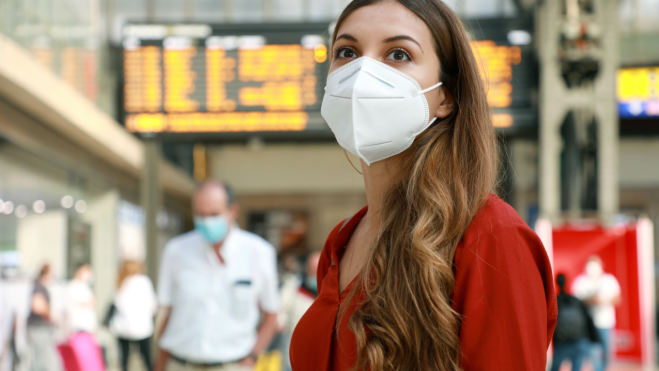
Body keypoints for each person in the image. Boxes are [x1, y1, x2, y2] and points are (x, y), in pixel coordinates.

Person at [289, 1, 558, 370]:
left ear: (445, 96)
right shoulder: (341, 242)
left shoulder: (490, 237)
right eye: (346, 52)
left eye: (398, 54)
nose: (362, 72)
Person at [155, 181, 279, 371]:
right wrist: (159, 365)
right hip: (180, 363)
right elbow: (167, 313)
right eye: (200, 215)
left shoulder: (259, 252)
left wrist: (252, 357)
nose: (206, 222)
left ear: (233, 211)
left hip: (233, 365)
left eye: (214, 214)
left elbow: (271, 316)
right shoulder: (176, 251)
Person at [572, 256, 621, 371]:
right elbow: (575, 300)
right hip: (587, 324)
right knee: (588, 351)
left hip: (605, 322)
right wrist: (590, 300)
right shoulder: (581, 281)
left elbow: (617, 298)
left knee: (606, 351)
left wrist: (603, 300)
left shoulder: (609, 280)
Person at [110, 260, 157, 371]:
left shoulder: (120, 282)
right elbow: (153, 305)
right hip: (142, 327)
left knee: (124, 359)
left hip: (122, 327)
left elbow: (117, 304)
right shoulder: (144, 281)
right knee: (147, 358)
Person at [278, 252, 320, 371]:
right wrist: (280, 321)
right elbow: (280, 310)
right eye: (313, 271)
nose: (315, 275)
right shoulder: (293, 287)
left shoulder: (333, 290)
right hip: (294, 360)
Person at [552, 274, 600, 371]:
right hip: (578, 341)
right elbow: (589, 321)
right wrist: (595, 340)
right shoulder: (576, 301)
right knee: (576, 367)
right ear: (567, 282)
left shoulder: (554, 302)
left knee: (554, 368)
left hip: (560, 342)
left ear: (556, 283)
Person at [26, 264, 62, 371]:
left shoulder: (42, 287)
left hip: (43, 329)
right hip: (39, 329)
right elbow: (37, 306)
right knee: (44, 361)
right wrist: (50, 314)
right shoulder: (38, 287)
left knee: (43, 359)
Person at [65, 264, 97, 335]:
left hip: (87, 326)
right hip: (79, 326)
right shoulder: (74, 286)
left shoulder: (85, 286)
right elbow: (86, 302)